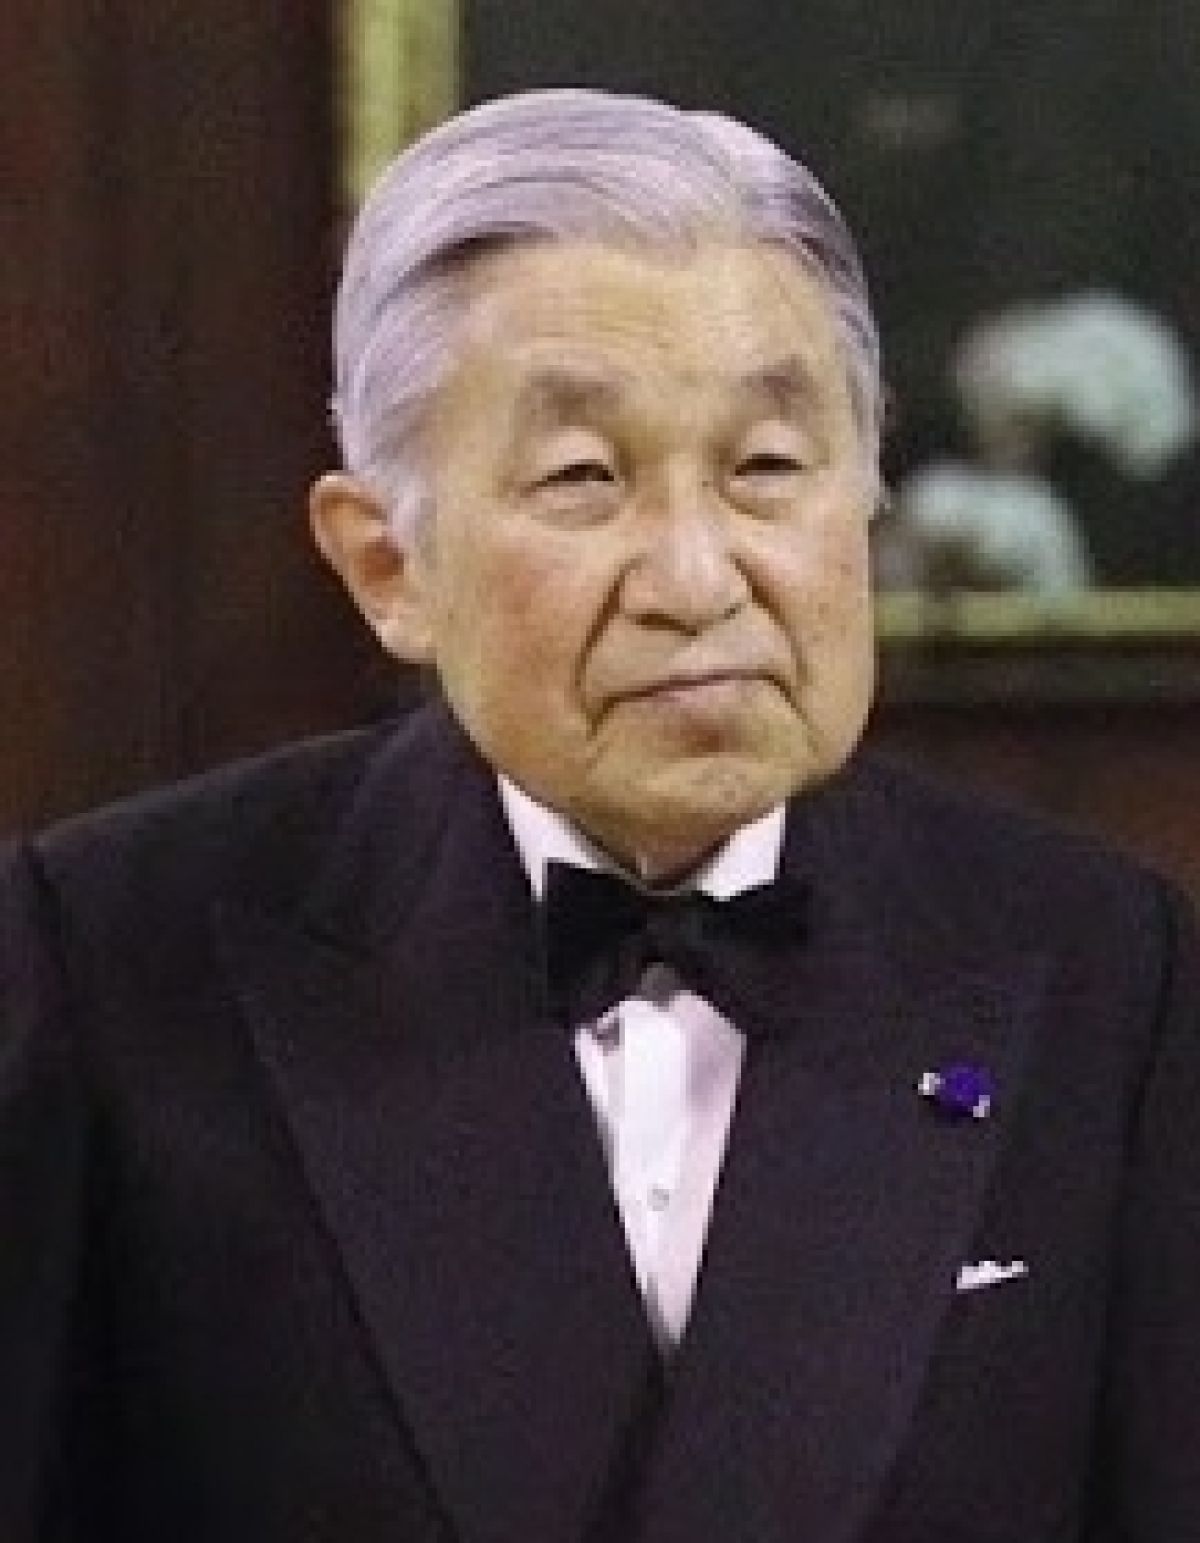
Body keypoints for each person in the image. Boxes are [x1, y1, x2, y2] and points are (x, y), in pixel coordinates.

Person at [1, 88, 1196, 1542]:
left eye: (767, 469)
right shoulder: (111, 962)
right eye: (584, 479)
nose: (696, 579)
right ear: (387, 566)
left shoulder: (1102, 968)